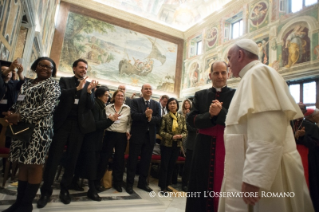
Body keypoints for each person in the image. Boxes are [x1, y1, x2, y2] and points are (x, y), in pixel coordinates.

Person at [218, 39, 314, 211]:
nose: (228, 63)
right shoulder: (252, 75)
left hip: (269, 173)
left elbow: (267, 129)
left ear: (240, 55)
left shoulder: (258, 73)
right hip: (251, 165)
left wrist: (254, 178)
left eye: (229, 57)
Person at [2, 57, 61, 212]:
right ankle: (18, 203)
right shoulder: (27, 83)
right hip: (21, 130)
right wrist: (12, 111)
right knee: (22, 163)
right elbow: (20, 102)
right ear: (36, 66)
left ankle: (26, 205)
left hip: (39, 130)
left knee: (34, 165)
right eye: (42, 65)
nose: (45, 69)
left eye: (49, 68)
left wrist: (20, 116)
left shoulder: (53, 85)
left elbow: (46, 109)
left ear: (52, 71)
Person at [37, 59, 98, 208]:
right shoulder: (64, 80)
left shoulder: (89, 86)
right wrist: (77, 88)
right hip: (63, 124)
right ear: (74, 68)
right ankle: (46, 191)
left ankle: (65, 189)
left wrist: (89, 92)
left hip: (78, 127)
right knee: (54, 158)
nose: (84, 70)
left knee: (72, 159)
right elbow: (60, 96)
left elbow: (90, 106)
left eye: (86, 68)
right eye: (81, 67)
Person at [186, 61, 235, 212]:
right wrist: (211, 115)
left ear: (228, 74)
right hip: (203, 147)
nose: (220, 76)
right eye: (216, 73)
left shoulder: (236, 94)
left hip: (228, 145)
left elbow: (239, 120)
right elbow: (192, 120)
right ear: (210, 75)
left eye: (223, 72)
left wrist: (220, 112)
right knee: (200, 182)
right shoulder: (200, 95)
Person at [76, 86, 119, 201]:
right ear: (99, 95)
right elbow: (95, 124)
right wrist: (110, 120)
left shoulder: (101, 106)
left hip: (96, 140)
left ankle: (92, 187)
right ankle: (92, 190)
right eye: (106, 95)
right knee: (91, 165)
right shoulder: (95, 105)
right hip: (91, 140)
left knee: (92, 164)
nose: (108, 97)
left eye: (108, 95)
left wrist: (109, 120)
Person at [125, 84, 161, 194]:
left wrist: (150, 118)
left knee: (146, 161)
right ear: (142, 90)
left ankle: (142, 183)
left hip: (149, 137)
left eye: (150, 89)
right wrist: (145, 115)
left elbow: (159, 119)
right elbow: (134, 115)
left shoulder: (156, 104)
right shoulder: (135, 102)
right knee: (133, 160)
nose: (148, 90)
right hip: (137, 135)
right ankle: (129, 184)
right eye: (146, 89)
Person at [97, 89, 131, 193]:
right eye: (118, 95)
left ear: (124, 98)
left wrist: (128, 131)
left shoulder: (128, 108)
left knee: (119, 160)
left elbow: (129, 122)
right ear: (114, 97)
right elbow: (103, 120)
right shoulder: (107, 107)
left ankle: (118, 183)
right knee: (104, 157)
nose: (120, 97)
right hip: (109, 134)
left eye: (122, 96)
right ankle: (97, 181)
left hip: (121, 135)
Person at [159, 98, 187, 193]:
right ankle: (162, 186)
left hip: (177, 145)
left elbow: (185, 131)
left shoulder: (181, 118)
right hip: (166, 145)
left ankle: (167, 184)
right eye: (170, 103)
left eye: (174, 103)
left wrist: (180, 136)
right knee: (164, 166)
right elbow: (161, 132)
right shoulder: (165, 117)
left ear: (177, 105)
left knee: (171, 166)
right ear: (168, 106)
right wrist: (172, 137)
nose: (172, 105)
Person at [0, 60, 24, 150]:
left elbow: (23, 83)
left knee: (7, 139)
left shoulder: (14, 83)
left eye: (9, 71)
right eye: (3, 70)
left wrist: (20, 73)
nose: (7, 72)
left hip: (10, 113)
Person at [181, 99, 196, 192]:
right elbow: (187, 126)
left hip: (199, 142)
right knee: (188, 165)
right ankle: (184, 184)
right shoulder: (189, 114)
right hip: (191, 142)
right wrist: (198, 129)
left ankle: (192, 183)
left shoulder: (203, 115)